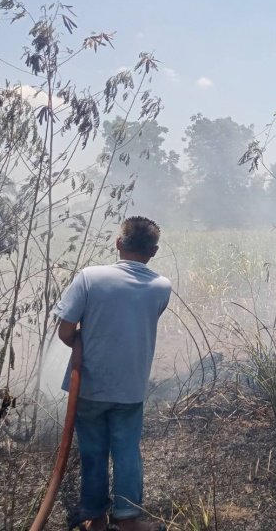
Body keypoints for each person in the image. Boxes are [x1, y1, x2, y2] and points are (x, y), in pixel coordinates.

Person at [55, 216, 172, 531]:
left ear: (118, 243)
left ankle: (96, 518)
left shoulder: (89, 277)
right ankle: (129, 519)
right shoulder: (162, 286)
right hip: (130, 388)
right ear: (154, 251)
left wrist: (84, 340)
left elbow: (66, 331)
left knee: (93, 452)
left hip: (88, 386)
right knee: (127, 453)